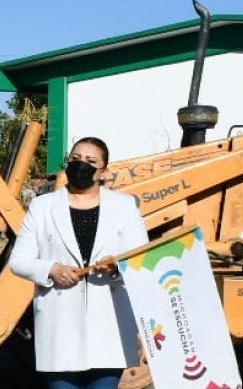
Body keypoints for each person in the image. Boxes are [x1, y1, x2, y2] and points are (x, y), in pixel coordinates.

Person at [10, 137, 149, 389]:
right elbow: (18, 261)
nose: (81, 165)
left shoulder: (125, 207)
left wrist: (117, 267)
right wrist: (51, 269)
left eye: (90, 161)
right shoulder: (42, 207)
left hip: (109, 326)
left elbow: (142, 259)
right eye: (75, 159)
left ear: (103, 171)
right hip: (59, 326)